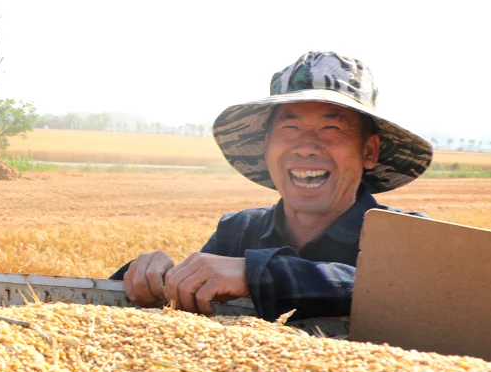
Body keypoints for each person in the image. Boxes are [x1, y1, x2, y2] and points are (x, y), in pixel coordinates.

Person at [112, 51, 432, 322]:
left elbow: (402, 289)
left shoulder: (408, 236)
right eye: (289, 127)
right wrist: (153, 278)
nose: (306, 146)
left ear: (369, 151)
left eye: (332, 127)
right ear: (266, 148)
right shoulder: (240, 232)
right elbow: (188, 300)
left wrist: (258, 276)